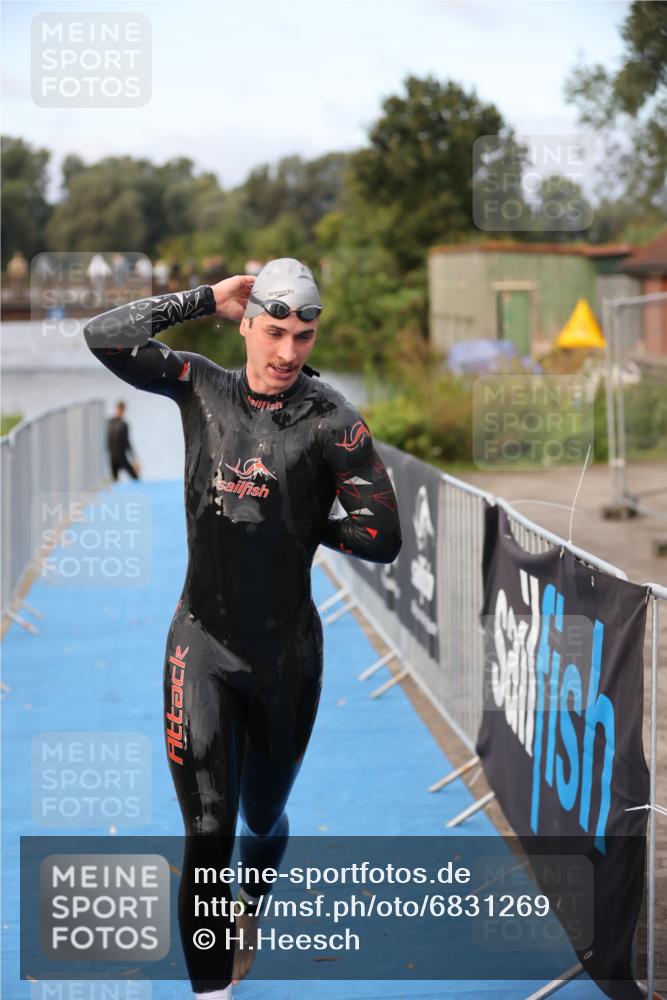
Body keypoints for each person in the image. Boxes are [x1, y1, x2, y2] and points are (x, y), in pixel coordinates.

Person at [83, 258, 402, 999]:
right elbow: (105, 336)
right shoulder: (200, 385)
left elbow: (382, 536)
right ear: (247, 323)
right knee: (206, 829)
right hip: (201, 642)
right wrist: (200, 299)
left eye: (303, 334)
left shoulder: (331, 420)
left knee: (262, 817)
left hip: (287, 657)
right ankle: (211, 991)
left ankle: (249, 906)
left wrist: (305, 525)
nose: (287, 351)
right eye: (273, 330)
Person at [106, 401, 140, 481]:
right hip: (118, 457)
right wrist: (134, 459)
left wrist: (134, 459)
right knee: (134, 477)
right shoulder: (122, 425)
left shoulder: (109, 422)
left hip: (114, 456)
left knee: (115, 480)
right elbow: (127, 443)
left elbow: (126, 442)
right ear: (123, 410)